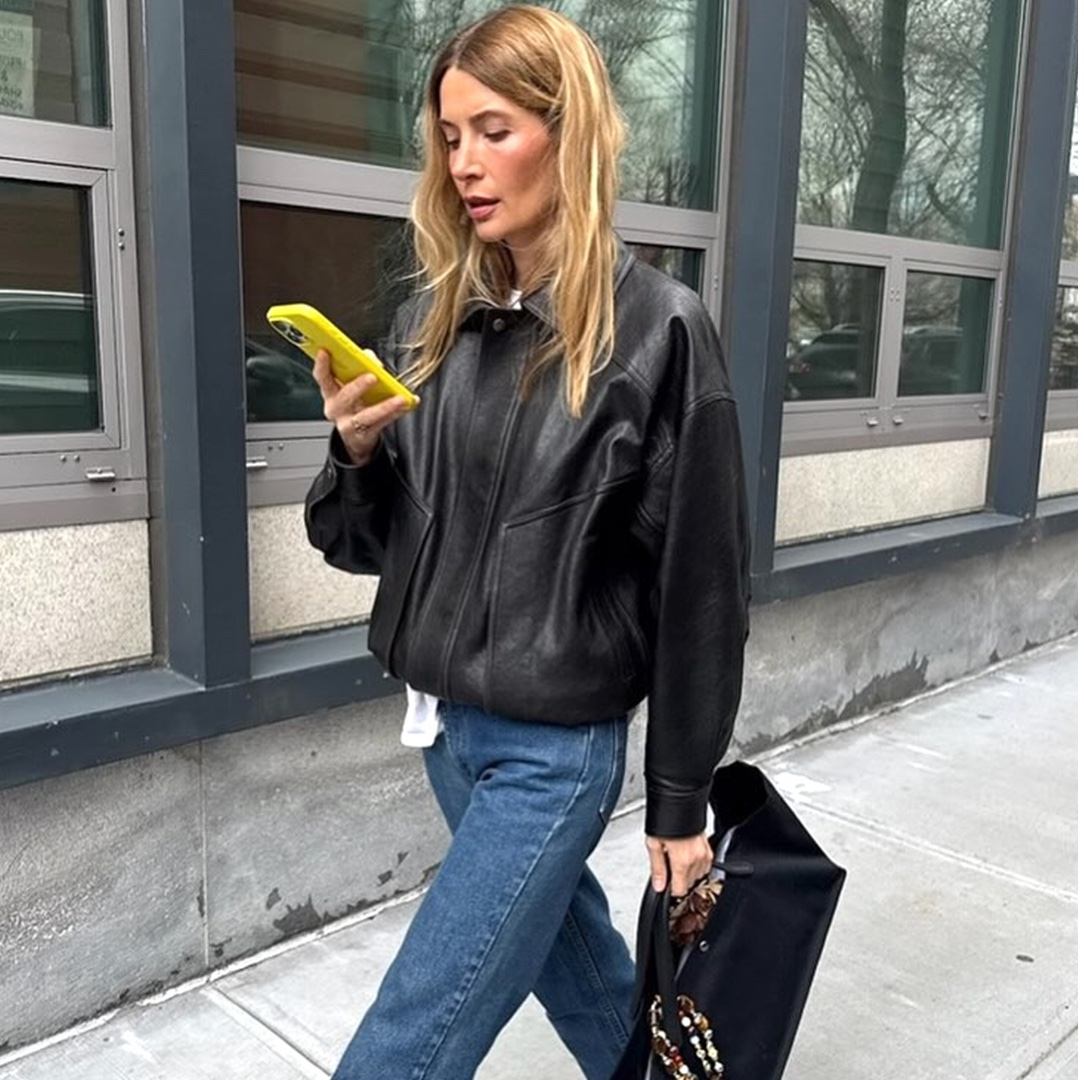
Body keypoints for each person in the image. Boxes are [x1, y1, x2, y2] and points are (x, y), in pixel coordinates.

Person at [303, 7, 750, 1079]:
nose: (464, 163)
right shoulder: (444, 320)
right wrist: (356, 454)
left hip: (553, 755)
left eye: (493, 129)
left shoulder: (660, 329)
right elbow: (359, 545)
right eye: (450, 137)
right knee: (591, 976)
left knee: (411, 1036)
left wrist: (681, 805)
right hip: (449, 739)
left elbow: (703, 591)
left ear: (570, 131)